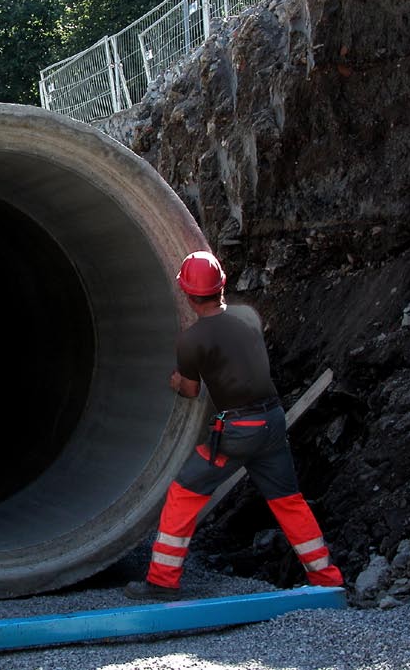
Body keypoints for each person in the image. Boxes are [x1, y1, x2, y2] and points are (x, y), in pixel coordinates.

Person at [124, 251, 343, 600]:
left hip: (238, 434)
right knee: (289, 501)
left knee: (184, 492)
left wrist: (177, 381)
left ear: (186, 292)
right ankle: (328, 580)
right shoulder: (248, 318)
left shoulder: (191, 341)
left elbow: (192, 390)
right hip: (273, 423)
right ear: (222, 285)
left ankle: (162, 581)